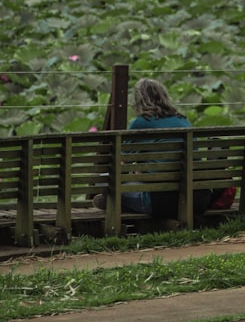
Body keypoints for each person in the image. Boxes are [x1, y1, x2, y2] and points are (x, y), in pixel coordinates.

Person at [94, 78, 231, 226]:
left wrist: (139, 172)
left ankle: (114, 202)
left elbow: (122, 165)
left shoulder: (140, 123)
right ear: (165, 97)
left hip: (159, 203)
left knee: (103, 179)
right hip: (195, 199)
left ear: (138, 100)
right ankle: (117, 202)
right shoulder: (183, 121)